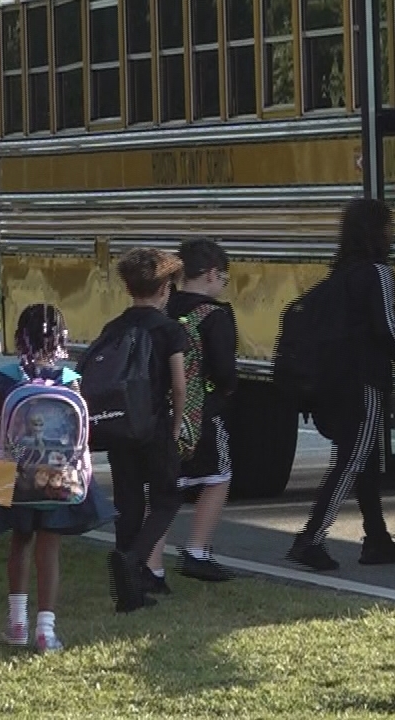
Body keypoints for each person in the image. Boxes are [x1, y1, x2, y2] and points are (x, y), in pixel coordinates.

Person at [287, 198, 395, 571]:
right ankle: (311, 537)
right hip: (365, 382)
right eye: (388, 227)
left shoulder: (342, 276)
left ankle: (376, 537)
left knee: (366, 463)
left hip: (338, 381)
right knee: (352, 461)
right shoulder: (378, 273)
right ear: (376, 231)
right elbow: (385, 327)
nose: (393, 234)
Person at [0, 304, 112, 654]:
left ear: (18, 336)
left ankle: (16, 623)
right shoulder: (71, 380)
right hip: (59, 473)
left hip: (11, 472)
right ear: (62, 338)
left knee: (19, 543)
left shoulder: (2, 376)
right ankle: (46, 629)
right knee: (49, 548)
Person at [100, 248, 192, 612]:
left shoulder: (114, 327)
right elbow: (179, 386)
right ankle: (135, 560)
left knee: (128, 505)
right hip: (153, 424)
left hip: (119, 427)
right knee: (167, 498)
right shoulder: (169, 330)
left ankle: (129, 595)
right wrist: (175, 425)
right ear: (165, 288)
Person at [152, 238, 239, 583]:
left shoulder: (161, 310)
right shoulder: (214, 316)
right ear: (212, 274)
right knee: (218, 477)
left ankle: (151, 564)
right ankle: (197, 551)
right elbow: (224, 371)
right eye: (224, 278)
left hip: (160, 415)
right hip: (203, 413)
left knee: (163, 487)